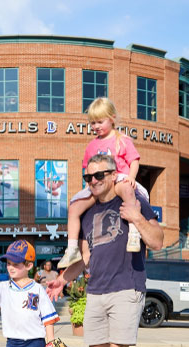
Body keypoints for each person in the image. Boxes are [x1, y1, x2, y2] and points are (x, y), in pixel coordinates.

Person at [46, 154, 163, 347]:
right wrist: (62, 279)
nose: (94, 181)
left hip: (127, 284)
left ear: (114, 176)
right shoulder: (86, 212)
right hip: (96, 288)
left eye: (99, 175)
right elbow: (86, 256)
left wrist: (135, 216)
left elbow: (158, 240)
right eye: (88, 177)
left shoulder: (132, 201)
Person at [58, 98, 149, 269]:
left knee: (128, 190)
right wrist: (87, 185)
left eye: (100, 121)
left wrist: (131, 176)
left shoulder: (122, 140)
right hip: (98, 184)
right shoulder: (91, 145)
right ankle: (71, 248)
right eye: (93, 123)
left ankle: (134, 233)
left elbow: (134, 160)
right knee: (74, 207)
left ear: (112, 118)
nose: (96, 126)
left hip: (118, 178)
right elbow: (86, 167)